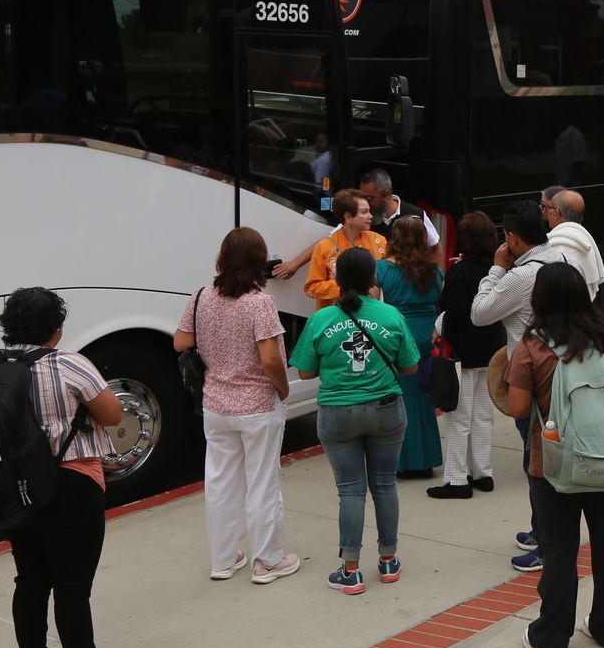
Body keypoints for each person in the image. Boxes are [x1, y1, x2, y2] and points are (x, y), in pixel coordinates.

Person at [0, 288, 145, 648]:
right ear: (56, 329)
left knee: (30, 579)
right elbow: (113, 415)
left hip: (19, 489)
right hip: (72, 483)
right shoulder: (69, 364)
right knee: (72, 586)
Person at [508, 263, 604, 648]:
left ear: (540, 299)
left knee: (560, 549)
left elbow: (518, 408)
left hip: (553, 464)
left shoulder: (532, 345)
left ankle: (551, 637)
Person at [291, 247, 421, 594]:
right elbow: (410, 366)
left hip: (337, 413)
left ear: (337, 280)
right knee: (385, 485)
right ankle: (388, 560)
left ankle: (350, 570)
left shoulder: (321, 320)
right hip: (386, 409)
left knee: (350, 490)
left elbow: (304, 372)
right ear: (372, 278)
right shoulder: (390, 315)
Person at [175, 228, 298, 586]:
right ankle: (267, 561)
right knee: (262, 483)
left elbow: (181, 341)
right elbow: (270, 358)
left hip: (216, 404)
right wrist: (282, 388)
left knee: (221, 483)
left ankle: (223, 559)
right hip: (257, 405)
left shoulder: (201, 297)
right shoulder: (260, 303)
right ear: (259, 260)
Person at [472, 203, 568, 568]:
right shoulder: (560, 258)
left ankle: (546, 543)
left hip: (531, 379)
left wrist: (497, 268)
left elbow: (479, 314)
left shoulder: (521, 276)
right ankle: (540, 529)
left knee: (538, 464)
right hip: (561, 372)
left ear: (511, 238)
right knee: (546, 460)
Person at [430, 212, 506, 499]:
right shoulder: (498, 271)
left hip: (462, 353)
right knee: (483, 416)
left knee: (459, 418)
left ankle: (457, 480)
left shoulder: (458, 272)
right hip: (492, 351)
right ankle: (482, 472)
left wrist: (439, 326)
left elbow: (456, 312)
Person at [376, 216, 444, 479]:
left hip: (399, 335)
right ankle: (426, 459)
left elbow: (372, 304)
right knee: (424, 398)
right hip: (428, 335)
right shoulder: (434, 270)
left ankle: (405, 461)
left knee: (402, 399)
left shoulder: (382, 269)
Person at [299, 190, 387, 302]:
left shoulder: (379, 241)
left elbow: (388, 277)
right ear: (348, 216)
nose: (370, 216)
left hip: (372, 310)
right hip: (337, 310)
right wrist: (346, 287)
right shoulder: (324, 246)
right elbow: (311, 288)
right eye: (364, 212)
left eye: (369, 211)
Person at [542, 188, 604, 294]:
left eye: (548, 208)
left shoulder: (558, 247)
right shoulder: (584, 237)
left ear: (556, 212)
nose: (546, 212)